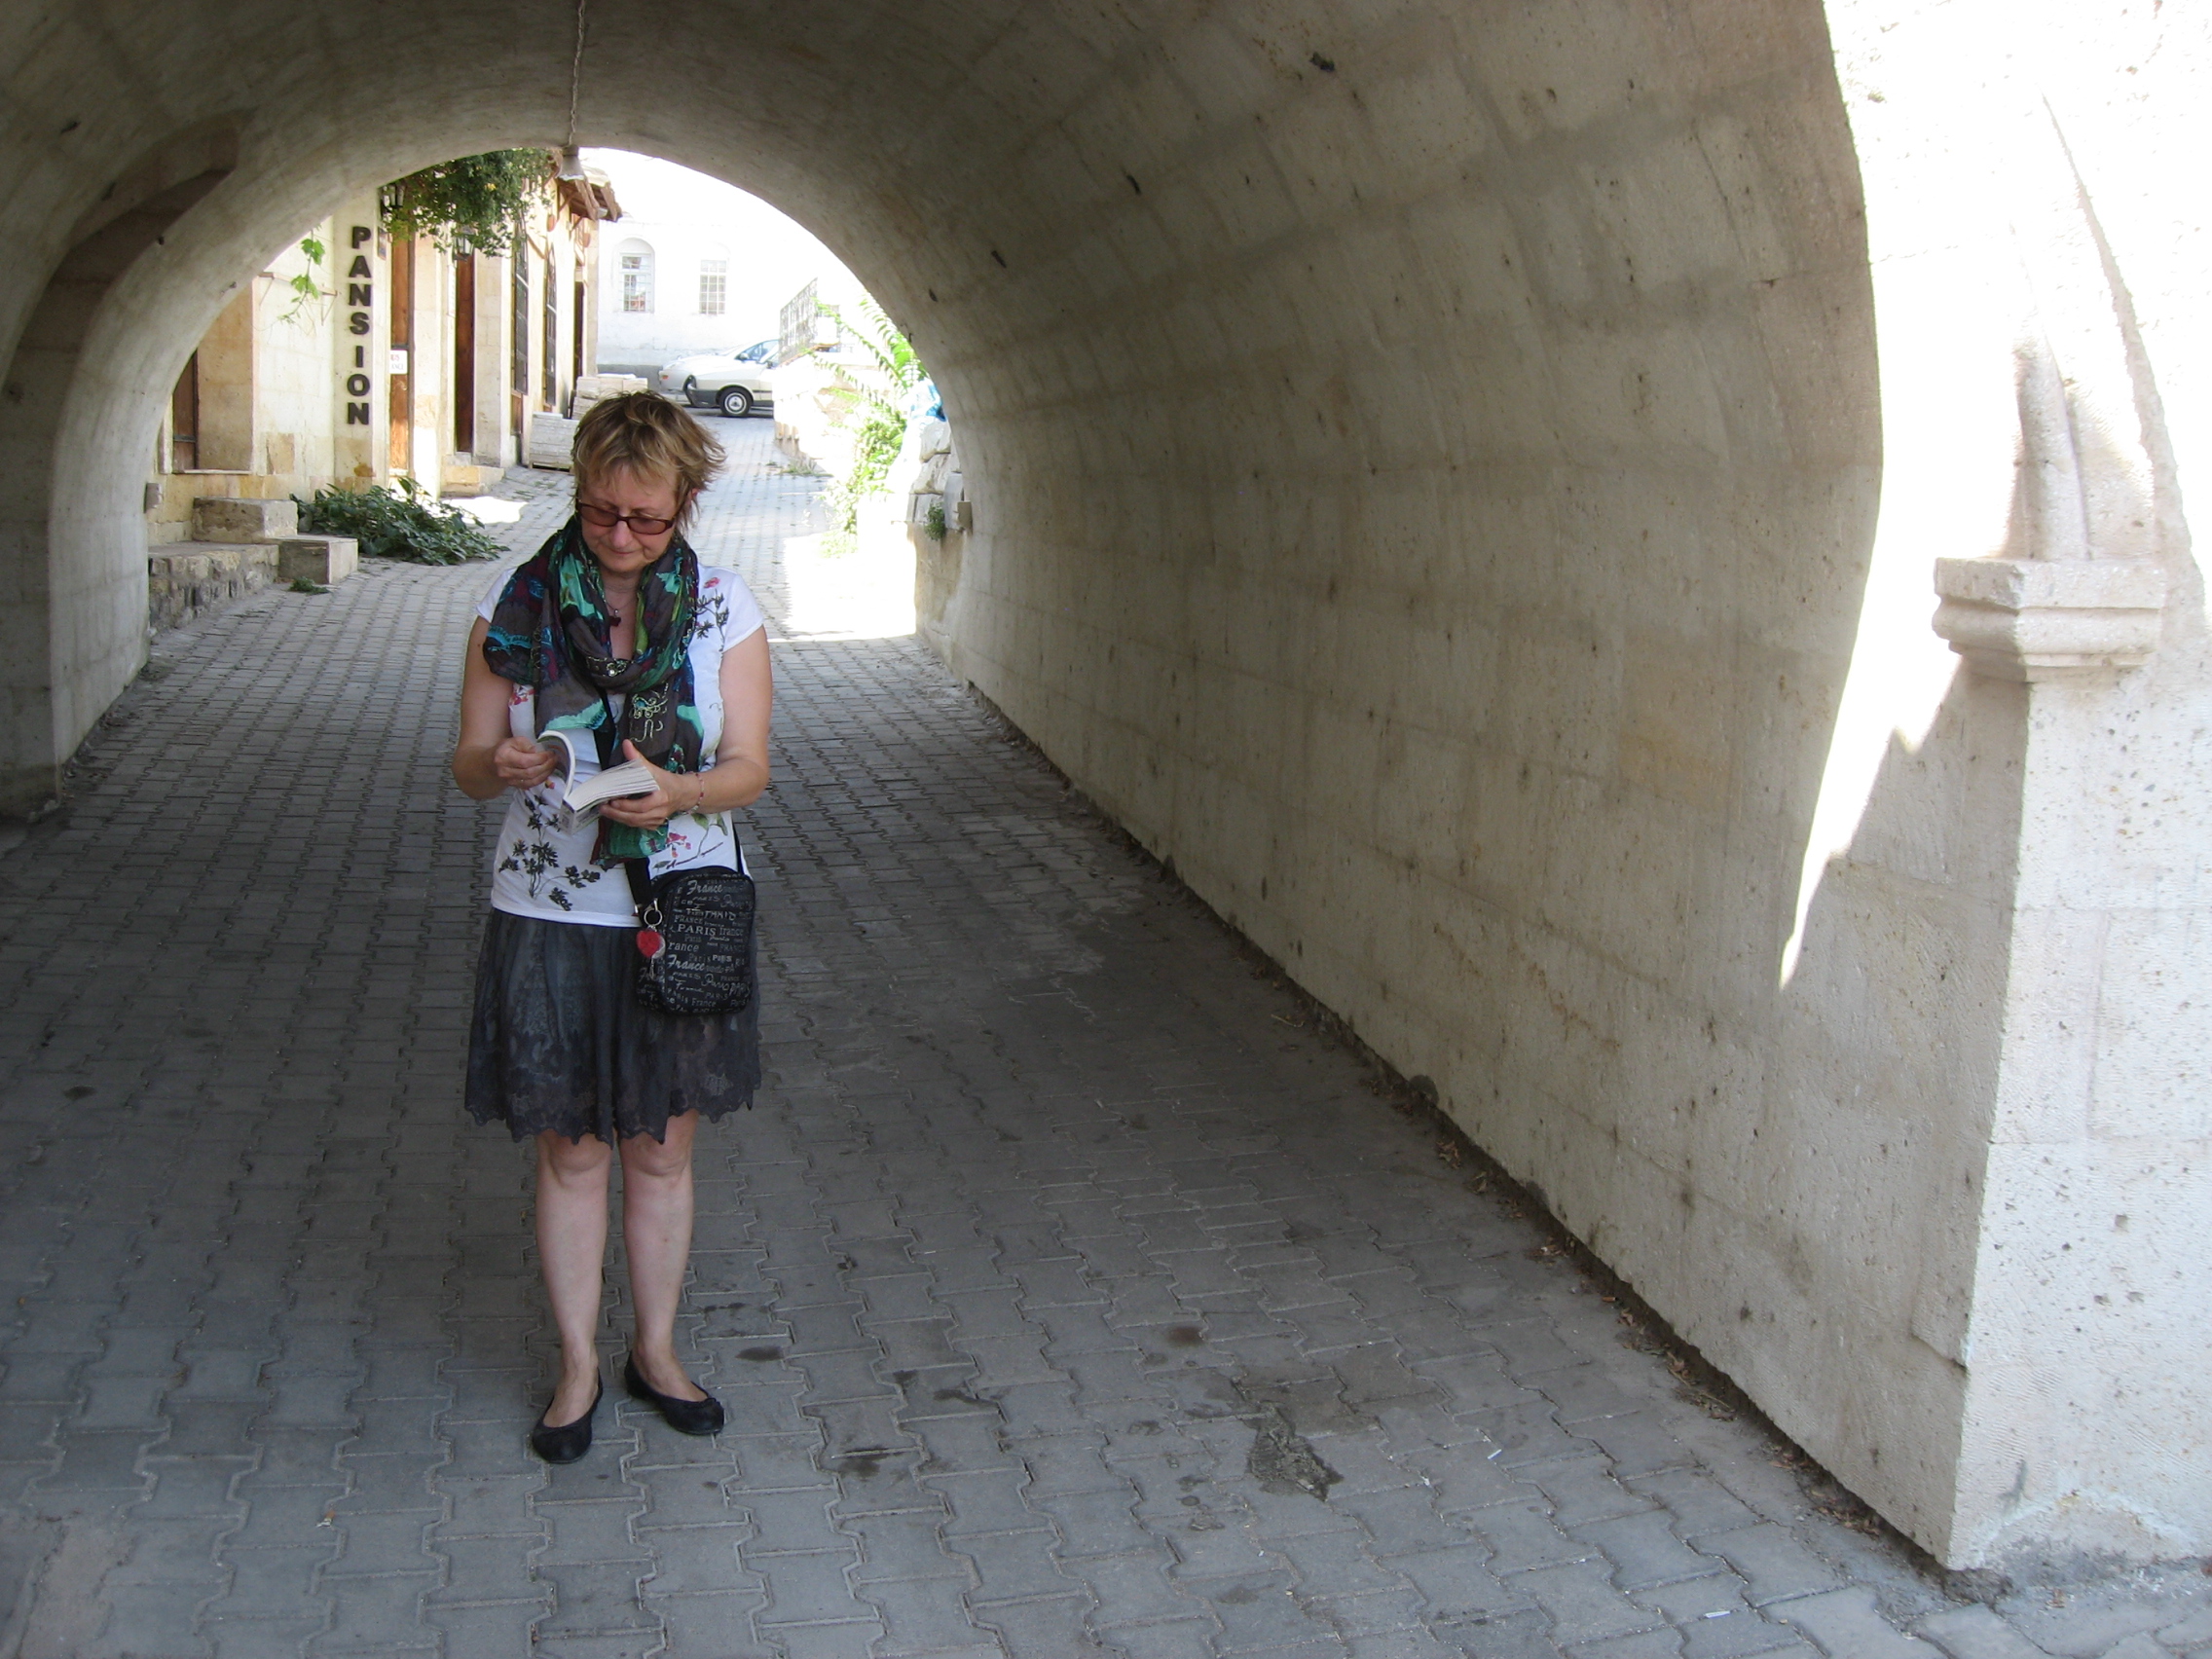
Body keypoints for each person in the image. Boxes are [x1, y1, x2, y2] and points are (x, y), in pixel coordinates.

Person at [451, 393, 772, 1462]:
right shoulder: (516, 600)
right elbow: (465, 765)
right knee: (572, 1154)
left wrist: (682, 793)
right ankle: (578, 1366)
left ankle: (658, 1352)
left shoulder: (724, 606)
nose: (622, 537)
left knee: (662, 1154)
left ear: (687, 502)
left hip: (678, 906)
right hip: (547, 911)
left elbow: (750, 769)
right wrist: (496, 762)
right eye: (600, 513)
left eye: (645, 517)